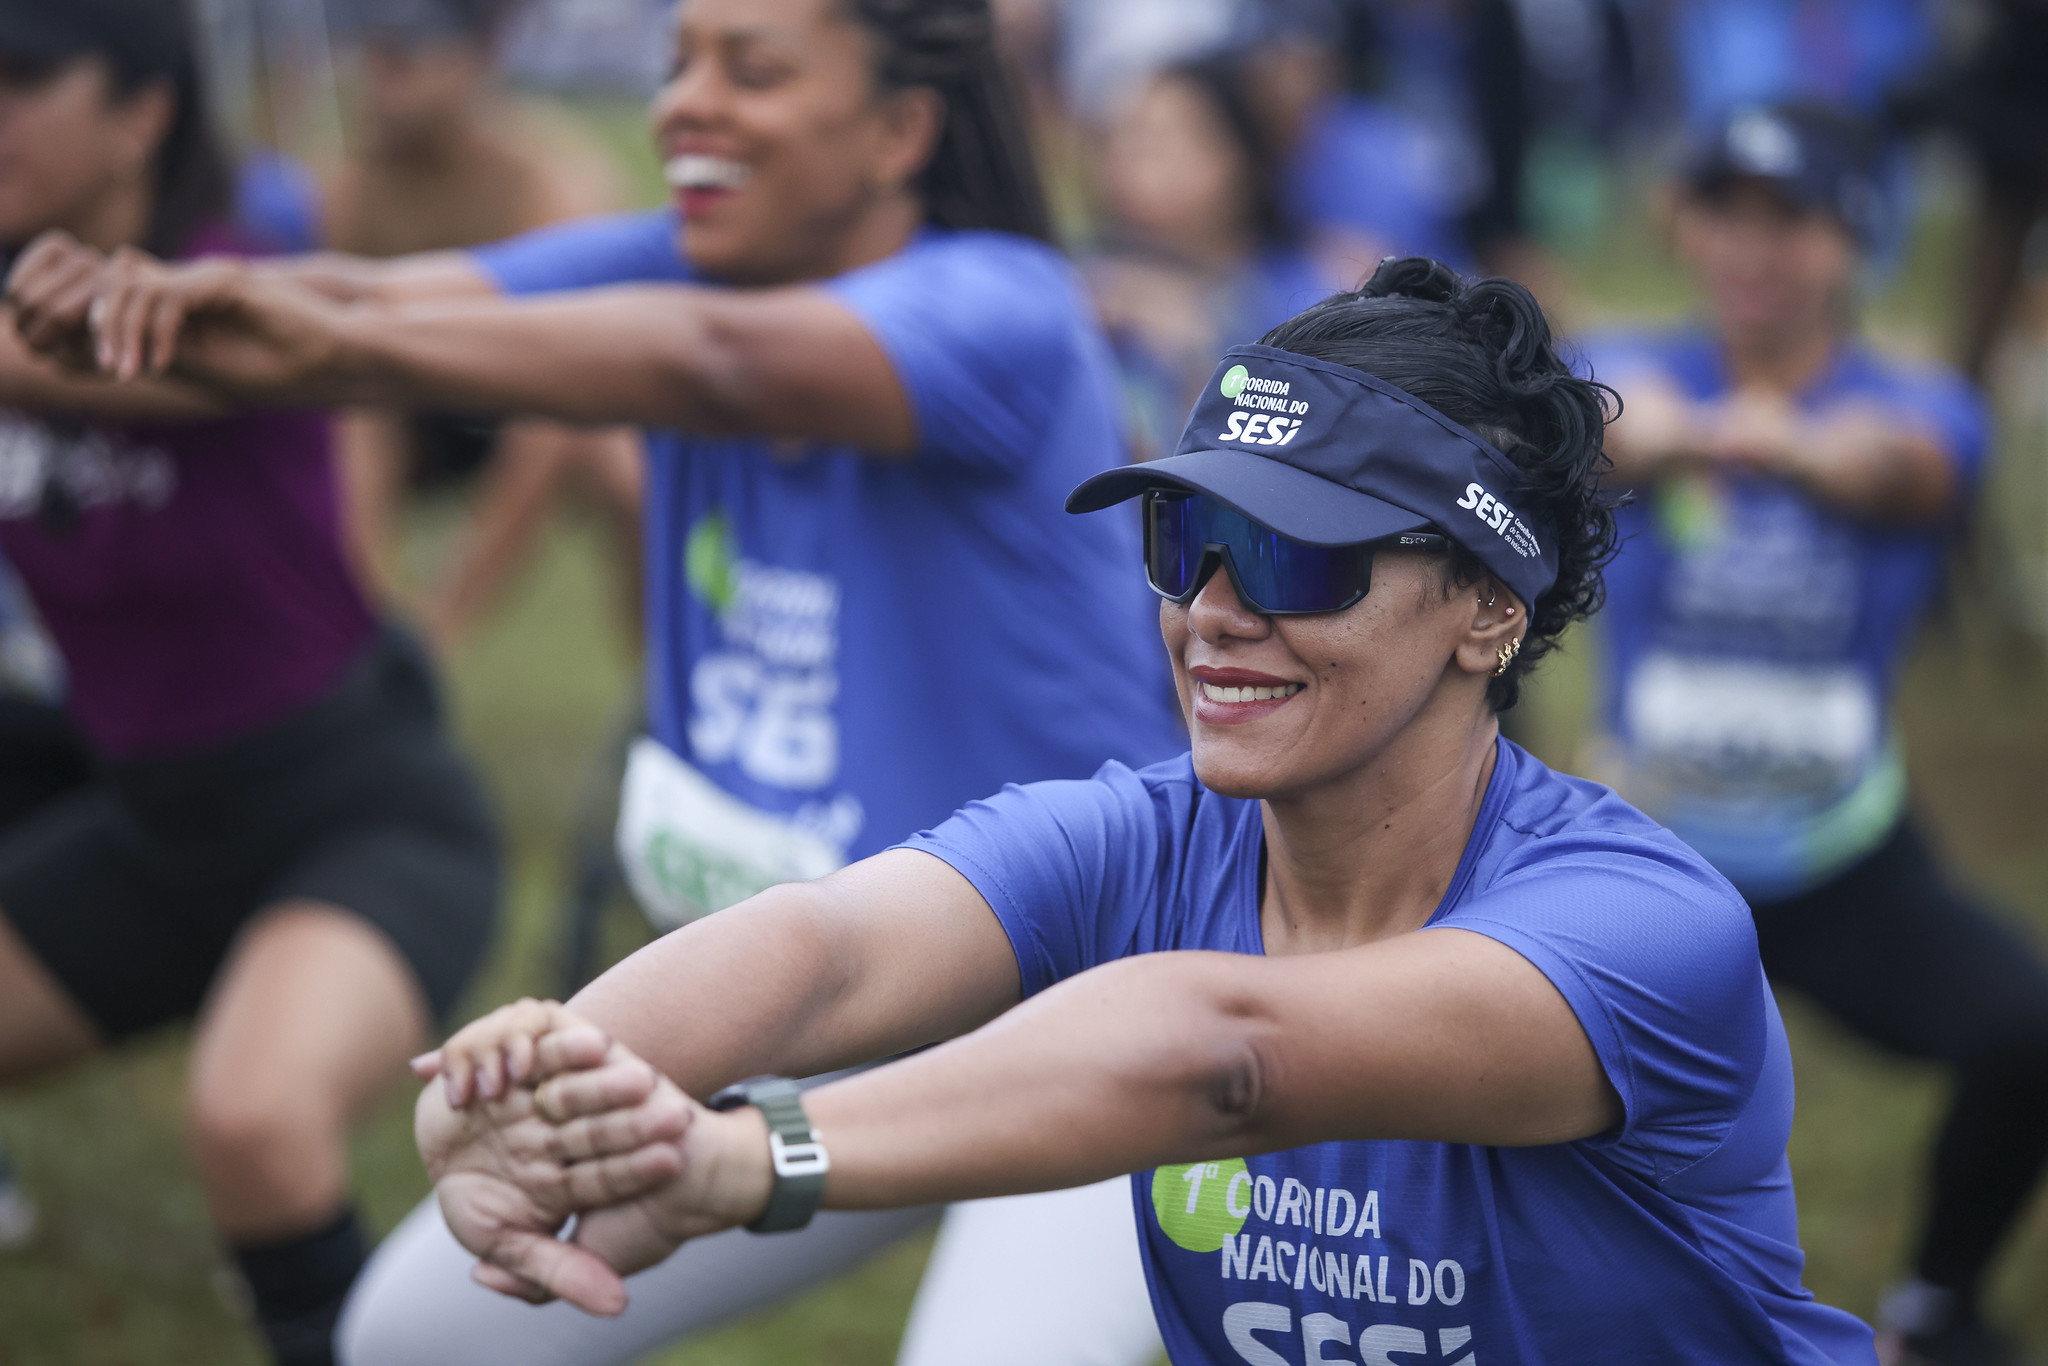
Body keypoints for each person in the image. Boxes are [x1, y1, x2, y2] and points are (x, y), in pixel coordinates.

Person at [400, 257, 1880, 1364]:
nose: (1213, 614)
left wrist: (746, 1157)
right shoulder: (1149, 834)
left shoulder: (1641, 925)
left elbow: (1227, 1057)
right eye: (1190, 538)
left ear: (1489, 610)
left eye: (1301, 560)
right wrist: (549, 1083)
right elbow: (832, 945)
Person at [5, 1, 1190, 1362]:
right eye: (678, 60)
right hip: (841, 996)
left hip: (1086, 986)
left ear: (898, 130)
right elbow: (391, 293)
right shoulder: (679, 261)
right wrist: (216, 303)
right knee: (410, 1334)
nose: (685, 102)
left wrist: (311, 342)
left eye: (751, 69)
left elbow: (713, 362)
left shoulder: (1000, 304)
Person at [0, 3, 501, 1365]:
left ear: (142, 113)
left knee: (253, 1119)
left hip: (360, 812)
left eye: (26, 81)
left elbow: (138, 365)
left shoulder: (232, 285)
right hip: (155, 825)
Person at [1586, 102, 2048, 1366]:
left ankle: (1931, 1313)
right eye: (1722, 211)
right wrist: (1679, 435)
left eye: (1786, 219)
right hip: (1650, 863)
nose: (1749, 246)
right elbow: (1595, 429)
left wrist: (1779, 448)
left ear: (1851, 240)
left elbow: (1901, 470)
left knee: (2021, 1033)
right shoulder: (1630, 366)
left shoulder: (1920, 405)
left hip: (1840, 854)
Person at [323, 0, 639, 648]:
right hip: (405, 398)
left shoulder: (549, 179)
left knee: (621, 465)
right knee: (342, 400)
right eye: (374, 58)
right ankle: (356, 648)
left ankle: (665, 685)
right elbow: (349, 391)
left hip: (527, 395)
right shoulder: (348, 186)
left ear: (476, 57)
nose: (382, 82)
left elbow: (568, 384)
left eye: (404, 60)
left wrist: (451, 611)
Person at [1083, 55, 1333, 461]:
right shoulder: (1081, 290)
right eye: (1116, 137)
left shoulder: (1304, 295)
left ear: (1239, 155)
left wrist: (1197, 344)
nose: (1128, 158)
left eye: (1159, 140)